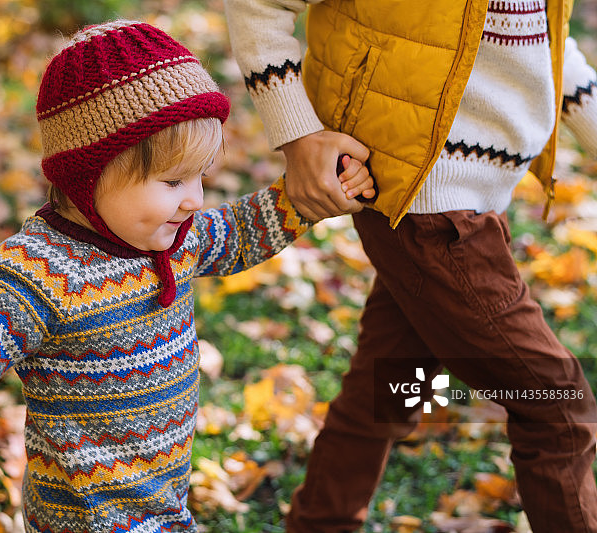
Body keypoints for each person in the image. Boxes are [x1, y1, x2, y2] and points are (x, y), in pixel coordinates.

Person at [0, 20, 374, 533]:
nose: (194, 199)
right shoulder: (39, 271)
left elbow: (240, 233)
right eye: (174, 180)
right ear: (90, 175)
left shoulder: (173, 235)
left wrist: (305, 196)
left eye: (202, 177)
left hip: (162, 503)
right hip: (88, 518)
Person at [225, 0, 597, 531]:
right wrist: (298, 134)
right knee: (555, 407)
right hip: (431, 213)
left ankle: (320, 522)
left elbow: (544, 41)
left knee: (391, 387)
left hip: (469, 206)